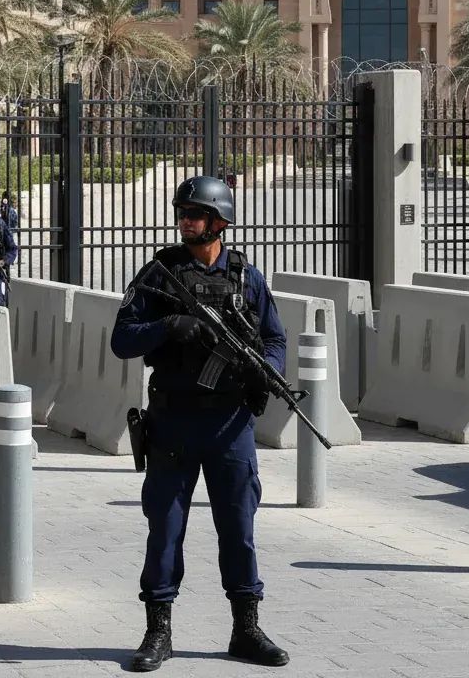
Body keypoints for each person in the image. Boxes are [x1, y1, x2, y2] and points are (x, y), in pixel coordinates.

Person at [113, 175, 289, 672]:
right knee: (165, 530)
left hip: (231, 425)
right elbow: (122, 338)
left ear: (219, 222)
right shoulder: (159, 274)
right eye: (182, 213)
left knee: (239, 528)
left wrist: (266, 372)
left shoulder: (246, 277)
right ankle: (158, 631)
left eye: (195, 214)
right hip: (173, 422)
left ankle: (246, 628)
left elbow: (275, 339)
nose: (185, 221)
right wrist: (169, 326)